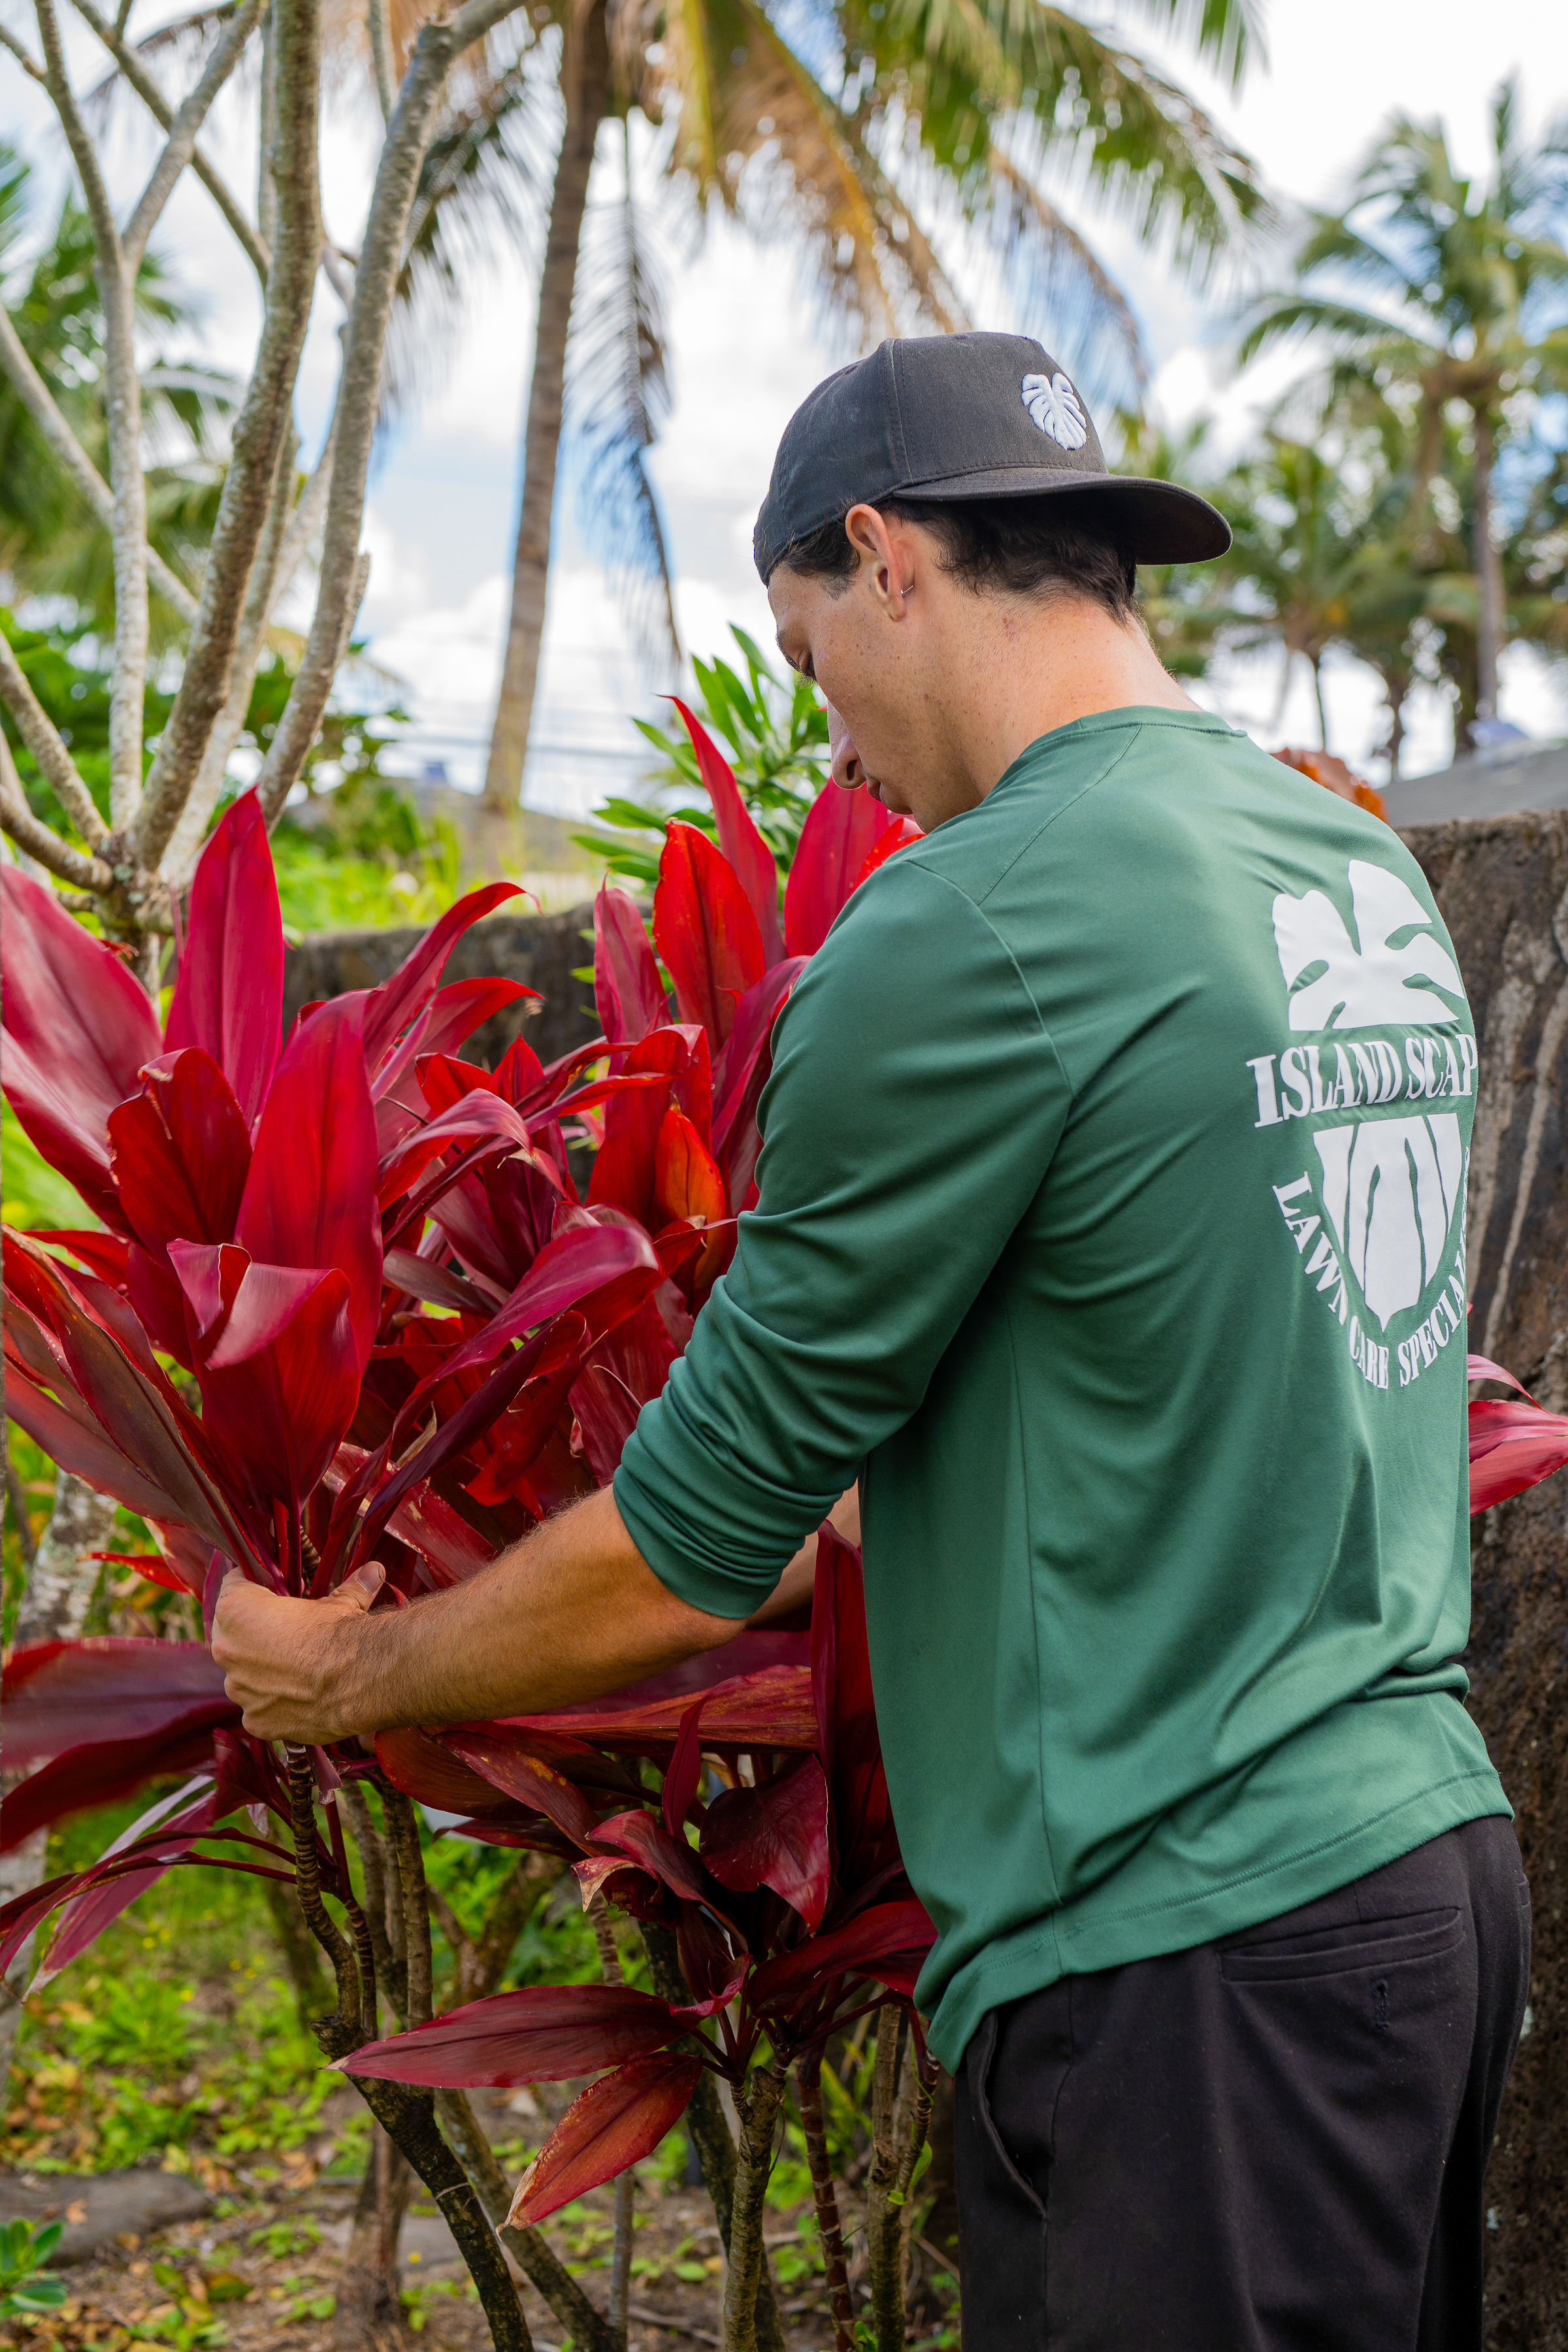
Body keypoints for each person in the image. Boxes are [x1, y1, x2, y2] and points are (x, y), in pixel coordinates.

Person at [214, 331, 1528, 2350]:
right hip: (1423, 1887)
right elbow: (1198, 1353)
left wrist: (353, 1671)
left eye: (807, 645)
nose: (823, 739)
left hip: (1187, 1956)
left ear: (888, 556)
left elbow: (690, 1547)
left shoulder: (971, 922)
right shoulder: (1346, 867)